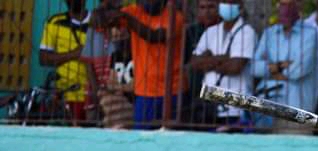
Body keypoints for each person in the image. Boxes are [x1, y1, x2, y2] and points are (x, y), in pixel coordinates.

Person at [96, 0, 185, 129]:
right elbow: (101, 23)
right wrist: (103, 11)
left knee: (173, 137)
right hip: (145, 92)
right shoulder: (133, 11)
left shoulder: (175, 16)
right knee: (142, 139)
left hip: (174, 90)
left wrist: (128, 19)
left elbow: (155, 36)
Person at [252, 0, 318, 132]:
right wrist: (281, 66)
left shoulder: (310, 34)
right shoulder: (269, 33)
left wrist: (269, 69)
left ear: (299, 6)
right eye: (282, 4)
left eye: (290, 5)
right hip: (266, 107)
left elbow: (298, 71)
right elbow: (254, 68)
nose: (285, 9)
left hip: (297, 110)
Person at [190, 0, 256, 130]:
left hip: (235, 107)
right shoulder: (211, 31)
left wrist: (208, 59)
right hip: (209, 106)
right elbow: (194, 63)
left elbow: (235, 67)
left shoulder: (246, 32)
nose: (227, 6)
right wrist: (224, 58)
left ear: (240, 7)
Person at [39, 0, 91, 124]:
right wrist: (74, 54)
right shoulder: (55, 22)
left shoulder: (97, 21)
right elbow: (43, 59)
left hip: (93, 96)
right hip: (64, 95)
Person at [183, 0, 220, 124]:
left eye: (211, 7)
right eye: (202, 7)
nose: (207, 11)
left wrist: (202, 60)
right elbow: (187, 64)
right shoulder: (190, 32)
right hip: (194, 94)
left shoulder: (227, 30)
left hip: (219, 94)